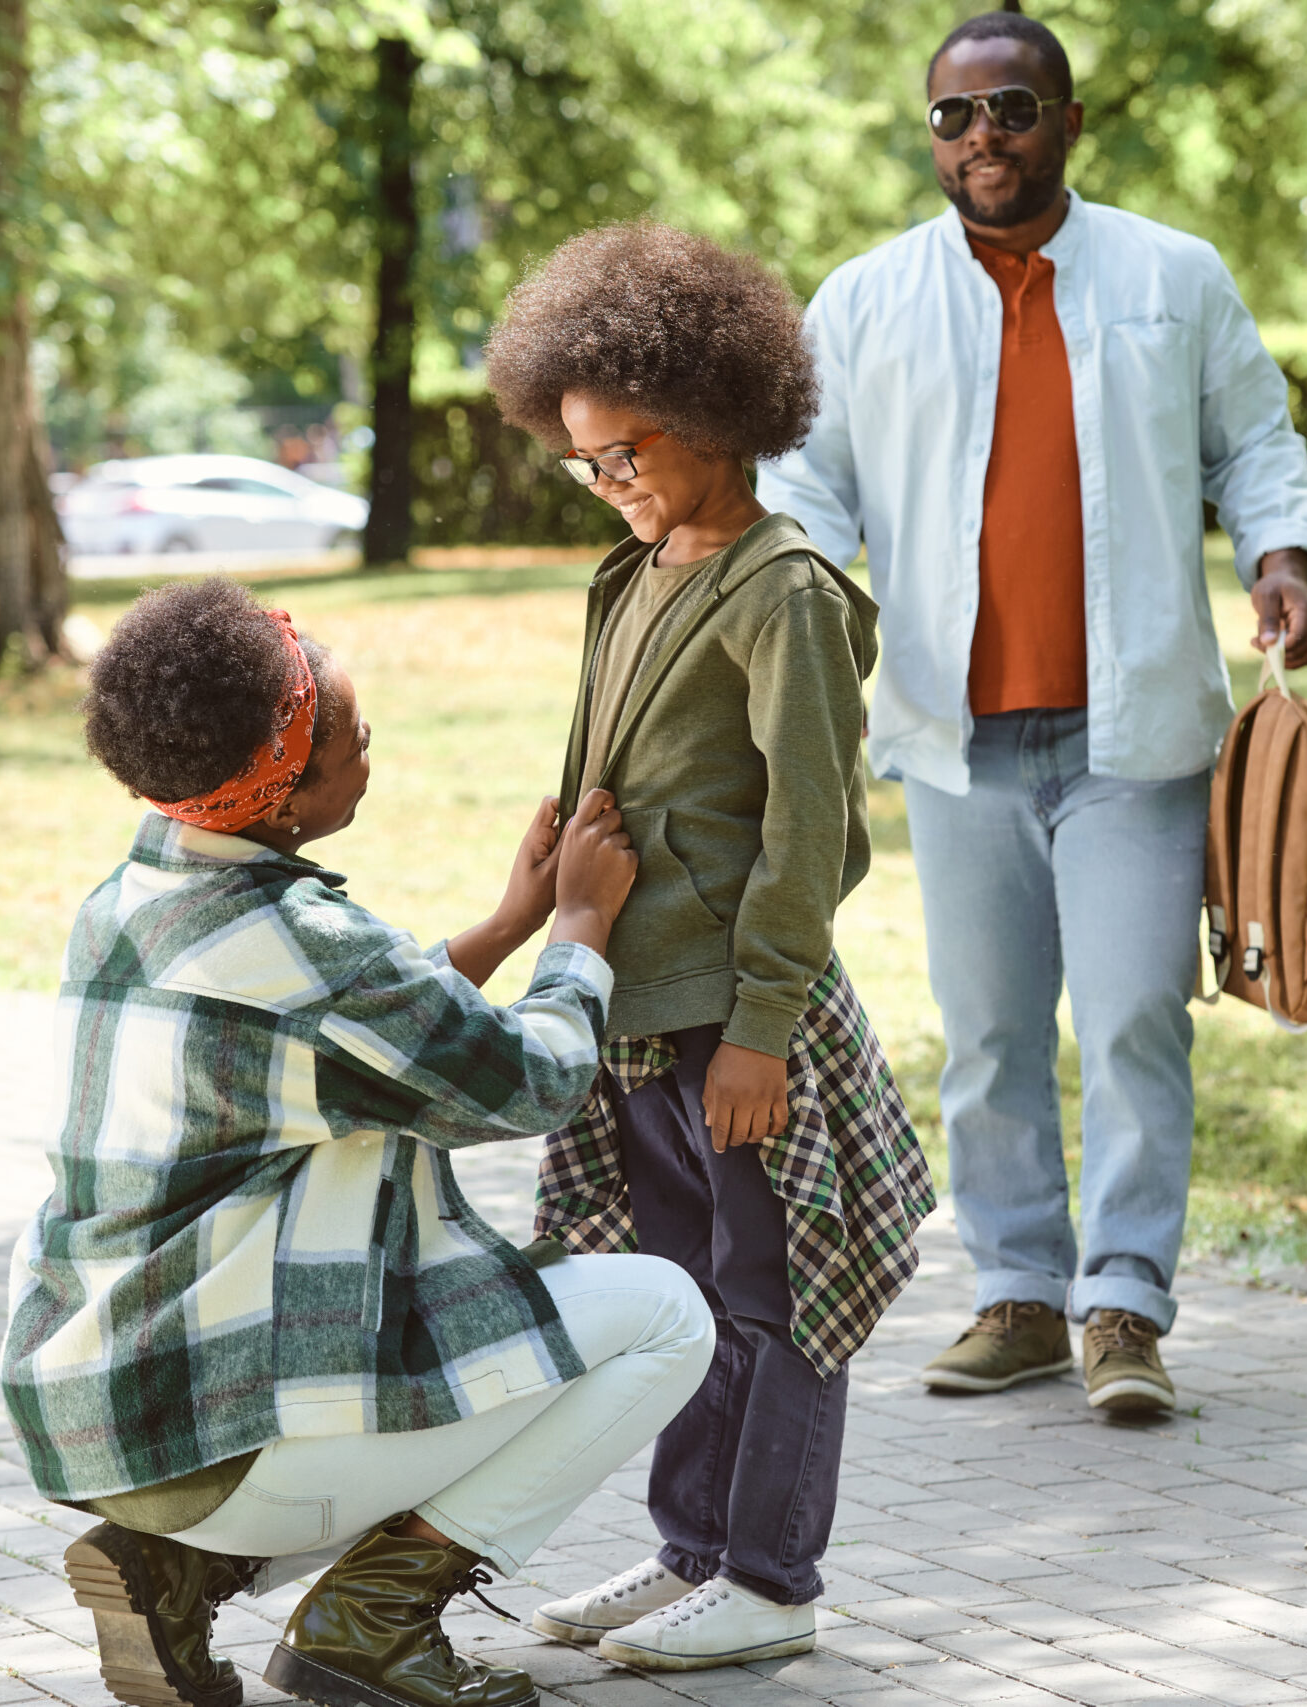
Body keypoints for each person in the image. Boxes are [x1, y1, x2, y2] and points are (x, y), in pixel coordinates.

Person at [0, 579, 716, 1707]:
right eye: (346, 737)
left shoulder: (132, 895)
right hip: (227, 1436)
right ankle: (372, 1620)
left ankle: (174, 1569)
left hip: (110, 1424)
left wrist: (502, 927)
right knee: (669, 1316)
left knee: (457, 1343)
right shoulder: (309, 943)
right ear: (281, 793)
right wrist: (579, 930)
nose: (368, 741)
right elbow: (526, 1084)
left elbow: (341, 1041)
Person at [758, 11, 1307, 1417]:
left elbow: (1254, 433)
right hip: (956, 731)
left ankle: (1122, 1305)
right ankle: (1017, 1292)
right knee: (993, 1026)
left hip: (1134, 729)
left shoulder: (1170, 275)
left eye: (1011, 109)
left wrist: (1281, 557)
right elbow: (803, 479)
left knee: (1136, 1012)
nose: (982, 138)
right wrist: (808, 594)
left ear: (1069, 121)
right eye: (954, 117)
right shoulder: (866, 299)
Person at [482, 224, 935, 1671]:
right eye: (584, 461)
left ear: (723, 419)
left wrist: (760, 1027)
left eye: (628, 453)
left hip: (737, 1015)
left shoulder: (785, 591)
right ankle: (693, 1550)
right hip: (636, 998)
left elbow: (816, 836)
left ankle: (771, 1574)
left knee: (775, 1285)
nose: (608, 482)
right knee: (684, 1299)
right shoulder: (634, 572)